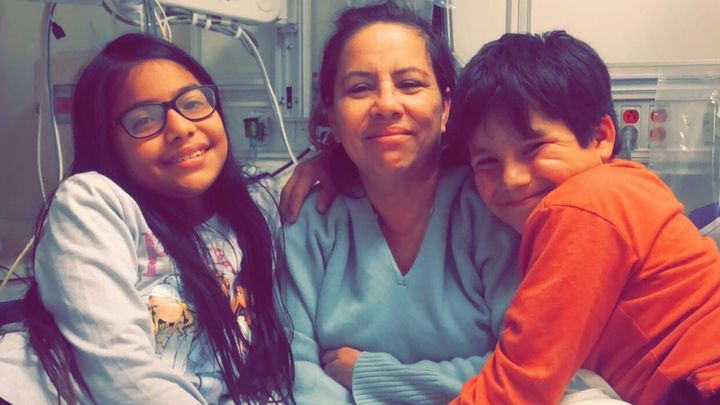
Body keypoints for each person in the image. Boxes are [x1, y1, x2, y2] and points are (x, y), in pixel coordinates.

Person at [0, 33, 294, 404]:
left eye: (193, 103)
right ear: (108, 143)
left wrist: (328, 164)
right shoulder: (93, 204)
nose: (181, 128)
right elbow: (123, 377)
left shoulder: (257, 206)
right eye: (143, 121)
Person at [446, 30, 720, 405]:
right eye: (487, 161)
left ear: (600, 137)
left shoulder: (583, 205)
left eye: (533, 148)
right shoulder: (627, 186)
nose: (512, 179)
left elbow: (521, 384)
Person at [279, 2, 520, 404]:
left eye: (409, 84)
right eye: (359, 89)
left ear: (446, 108)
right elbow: (296, 369)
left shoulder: (489, 207)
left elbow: (524, 367)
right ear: (332, 118)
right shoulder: (309, 220)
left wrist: (376, 377)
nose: (387, 105)